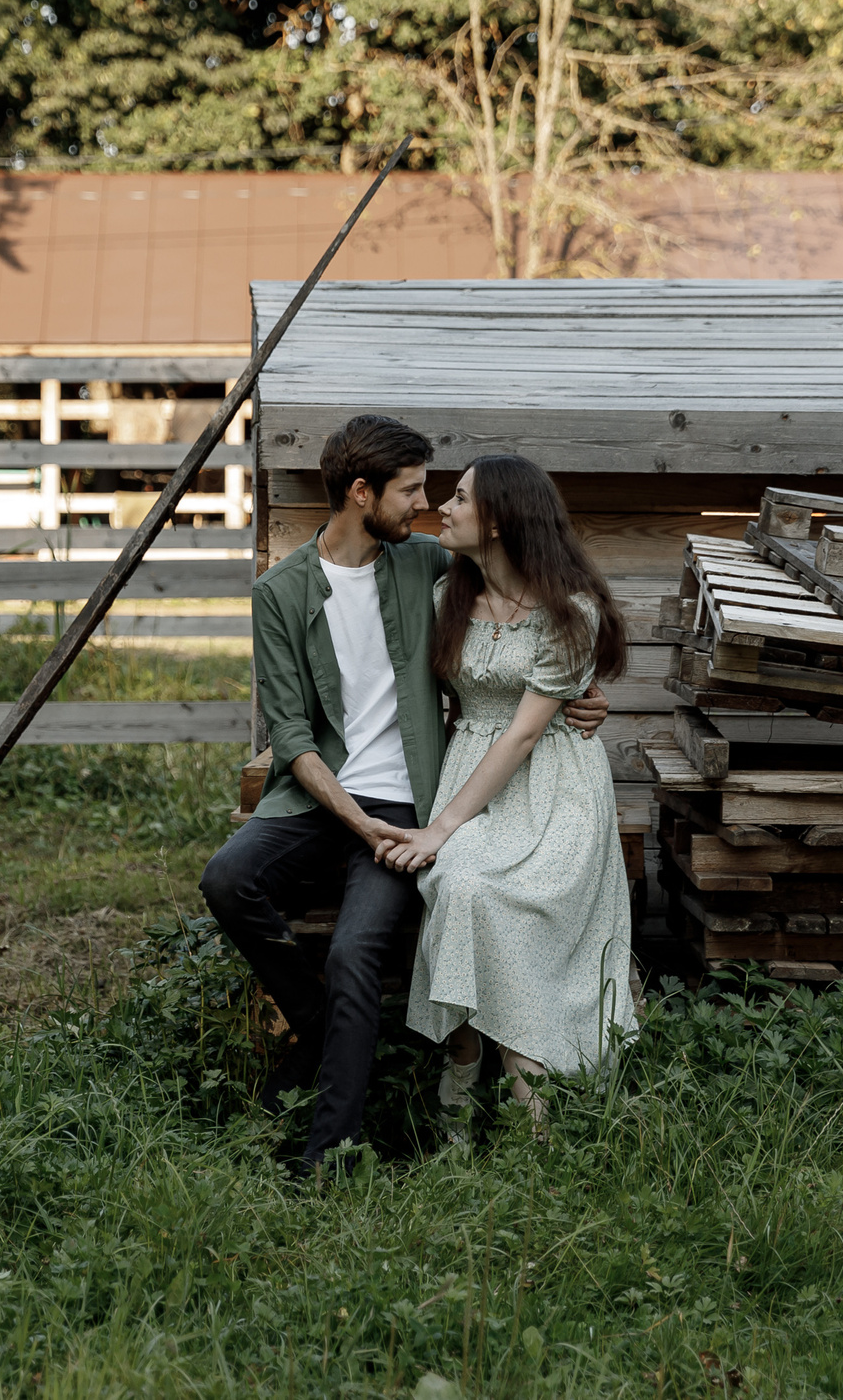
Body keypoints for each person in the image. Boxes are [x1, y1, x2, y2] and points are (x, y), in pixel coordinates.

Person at [200, 416, 609, 1173]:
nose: (425, 506)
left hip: (411, 802)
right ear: (361, 493)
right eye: (411, 489)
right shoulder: (280, 594)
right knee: (225, 877)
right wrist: (355, 822)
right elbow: (291, 736)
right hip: (324, 799)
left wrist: (585, 696)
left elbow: (535, 615)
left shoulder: (426, 565)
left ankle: (333, 1151)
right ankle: (320, 1024)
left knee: (358, 949)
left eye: (436, 491)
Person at [380, 453, 639, 1133]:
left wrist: (439, 830)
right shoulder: (448, 597)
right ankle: (463, 1078)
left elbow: (524, 736)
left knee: (498, 901)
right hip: (472, 777)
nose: (445, 507)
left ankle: (526, 1106)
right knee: (461, 887)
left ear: (496, 519)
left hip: (554, 791)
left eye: (461, 498)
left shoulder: (569, 612)